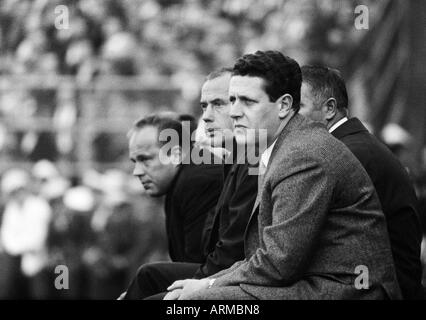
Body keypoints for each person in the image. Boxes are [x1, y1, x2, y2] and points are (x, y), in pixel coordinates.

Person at [164, 50, 400, 300]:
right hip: (309, 280)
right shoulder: (283, 147)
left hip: (345, 289)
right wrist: (210, 281)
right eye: (232, 100)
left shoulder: (303, 156)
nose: (234, 112)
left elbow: (279, 263)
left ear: (285, 105)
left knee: (194, 302)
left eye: (248, 101)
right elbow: (266, 257)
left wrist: (208, 287)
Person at [122, 68, 258, 300]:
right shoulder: (228, 161)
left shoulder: (200, 177)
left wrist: (195, 286)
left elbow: (216, 256)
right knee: (148, 279)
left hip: (242, 283)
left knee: (149, 278)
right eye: (204, 106)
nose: (205, 116)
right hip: (229, 277)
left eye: (218, 103)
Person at [299, 65, 424, 299]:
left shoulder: (345, 153)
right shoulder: (353, 146)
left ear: (329, 108)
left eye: (298, 107)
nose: (288, 117)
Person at [128, 114, 223, 264]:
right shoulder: (184, 179)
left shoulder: (197, 181)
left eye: (145, 159)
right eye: (135, 161)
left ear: (176, 155)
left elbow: (198, 266)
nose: (137, 171)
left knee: (147, 275)